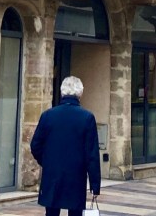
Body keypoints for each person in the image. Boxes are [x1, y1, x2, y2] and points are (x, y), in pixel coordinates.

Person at [30, 76, 101, 216]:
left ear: (62, 92)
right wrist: (95, 184)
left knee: (51, 212)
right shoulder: (87, 117)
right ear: (80, 93)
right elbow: (91, 154)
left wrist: (46, 161)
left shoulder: (48, 115)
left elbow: (35, 145)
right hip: (76, 175)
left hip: (52, 174)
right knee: (75, 212)